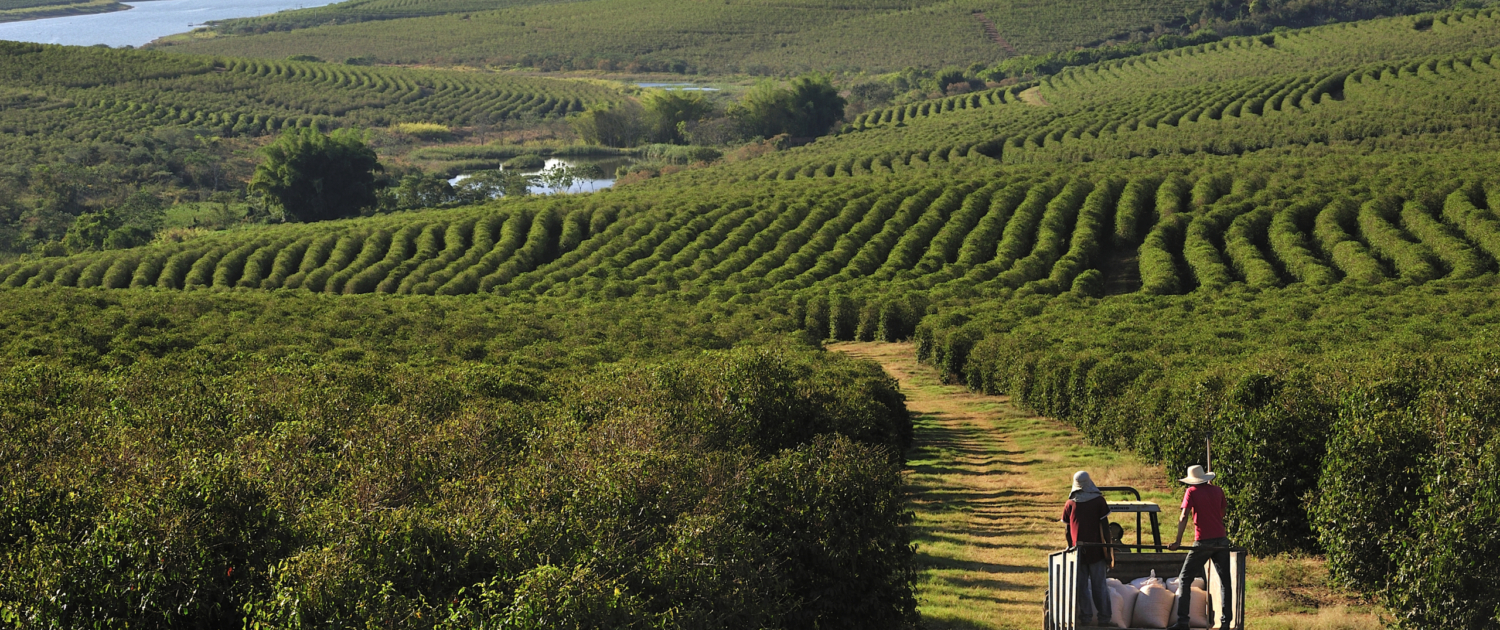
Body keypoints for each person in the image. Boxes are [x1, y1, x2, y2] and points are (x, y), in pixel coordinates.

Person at [1167, 464, 1233, 630]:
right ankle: (1225, 623)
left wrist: (1178, 541)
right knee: (1225, 581)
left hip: (1203, 541)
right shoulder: (1218, 490)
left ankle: (1183, 622)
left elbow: (1184, 517)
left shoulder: (1191, 492)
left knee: (1184, 578)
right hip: (1222, 540)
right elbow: (1222, 512)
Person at [1061, 471, 1115, 628]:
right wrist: (1108, 549)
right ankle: (1104, 618)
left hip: (1078, 552)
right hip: (1097, 551)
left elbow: (1067, 530)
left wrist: (1071, 547)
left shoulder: (1070, 504)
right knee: (1099, 586)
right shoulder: (1098, 501)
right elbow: (1105, 527)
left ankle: (1085, 618)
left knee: (1082, 586)